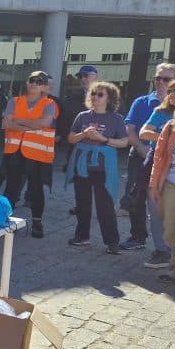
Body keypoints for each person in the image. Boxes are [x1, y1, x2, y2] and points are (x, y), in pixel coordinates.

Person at [121, 63, 175, 254]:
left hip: (172, 161)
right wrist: (140, 147)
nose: (161, 82)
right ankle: (138, 237)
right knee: (135, 197)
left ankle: (169, 246)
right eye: (158, 78)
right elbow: (130, 128)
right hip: (141, 157)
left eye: (166, 79)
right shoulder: (142, 102)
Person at [67, 81, 129, 255]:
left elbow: (124, 142)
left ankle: (112, 242)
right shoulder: (83, 116)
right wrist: (84, 134)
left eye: (100, 94)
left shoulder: (116, 118)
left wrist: (103, 139)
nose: (95, 97)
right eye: (93, 93)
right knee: (83, 203)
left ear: (109, 98)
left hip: (104, 167)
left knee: (105, 206)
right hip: (83, 165)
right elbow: (71, 138)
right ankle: (82, 236)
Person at [136, 76, 175, 270]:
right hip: (157, 165)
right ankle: (162, 251)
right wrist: (167, 138)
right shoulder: (162, 113)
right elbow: (143, 133)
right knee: (156, 211)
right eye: (171, 90)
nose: (173, 94)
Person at [1, 71, 57, 239]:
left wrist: (17, 122)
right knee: (11, 188)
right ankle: (6, 221)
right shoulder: (14, 101)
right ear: (27, 82)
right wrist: (32, 125)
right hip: (15, 152)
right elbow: (5, 123)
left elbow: (45, 122)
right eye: (32, 80)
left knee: (35, 190)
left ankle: (37, 222)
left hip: (37, 154)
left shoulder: (49, 103)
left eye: (40, 81)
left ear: (44, 86)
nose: (35, 83)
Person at [147, 97, 175, 286]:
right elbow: (159, 158)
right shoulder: (171, 126)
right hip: (170, 184)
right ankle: (174, 268)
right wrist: (154, 185)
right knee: (170, 230)